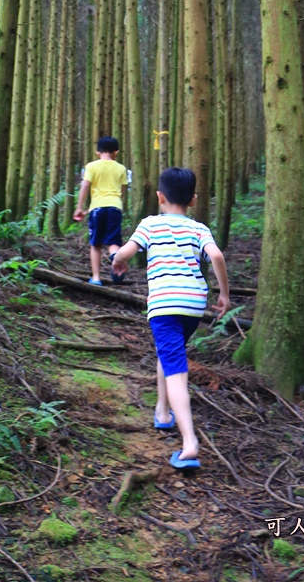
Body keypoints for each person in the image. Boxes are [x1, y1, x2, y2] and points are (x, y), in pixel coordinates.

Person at [111, 167, 230, 471]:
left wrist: (118, 263)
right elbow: (216, 256)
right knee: (170, 352)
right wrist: (223, 294)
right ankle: (163, 412)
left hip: (164, 304)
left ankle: (189, 443)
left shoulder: (150, 225)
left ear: (159, 197)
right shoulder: (199, 228)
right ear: (193, 200)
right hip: (192, 305)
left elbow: (124, 253)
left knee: (176, 367)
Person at [73, 135, 128, 286]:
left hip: (97, 208)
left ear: (98, 152)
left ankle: (96, 278)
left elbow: (85, 186)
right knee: (113, 241)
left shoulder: (91, 166)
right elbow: (122, 191)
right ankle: (116, 257)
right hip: (115, 207)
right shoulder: (121, 169)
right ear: (116, 152)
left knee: (96, 244)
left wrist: (79, 207)